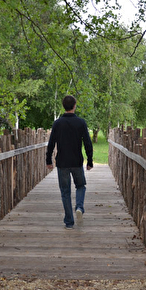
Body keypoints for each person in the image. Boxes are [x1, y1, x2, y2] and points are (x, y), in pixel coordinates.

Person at [46, 95, 93, 230]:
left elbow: (51, 143)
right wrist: (89, 161)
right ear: (74, 105)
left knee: (65, 192)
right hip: (76, 161)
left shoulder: (57, 123)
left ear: (63, 106)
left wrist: (48, 160)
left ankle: (69, 222)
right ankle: (79, 207)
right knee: (80, 186)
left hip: (62, 163)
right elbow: (87, 143)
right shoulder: (81, 123)